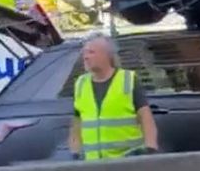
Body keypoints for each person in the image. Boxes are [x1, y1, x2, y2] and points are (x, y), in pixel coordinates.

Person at [68, 31, 158, 161]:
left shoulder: (128, 79)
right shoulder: (81, 83)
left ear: (106, 55)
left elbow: (146, 118)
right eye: (85, 53)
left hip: (126, 161)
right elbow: (77, 123)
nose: (86, 57)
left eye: (91, 52)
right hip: (93, 163)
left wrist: (150, 149)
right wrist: (75, 153)